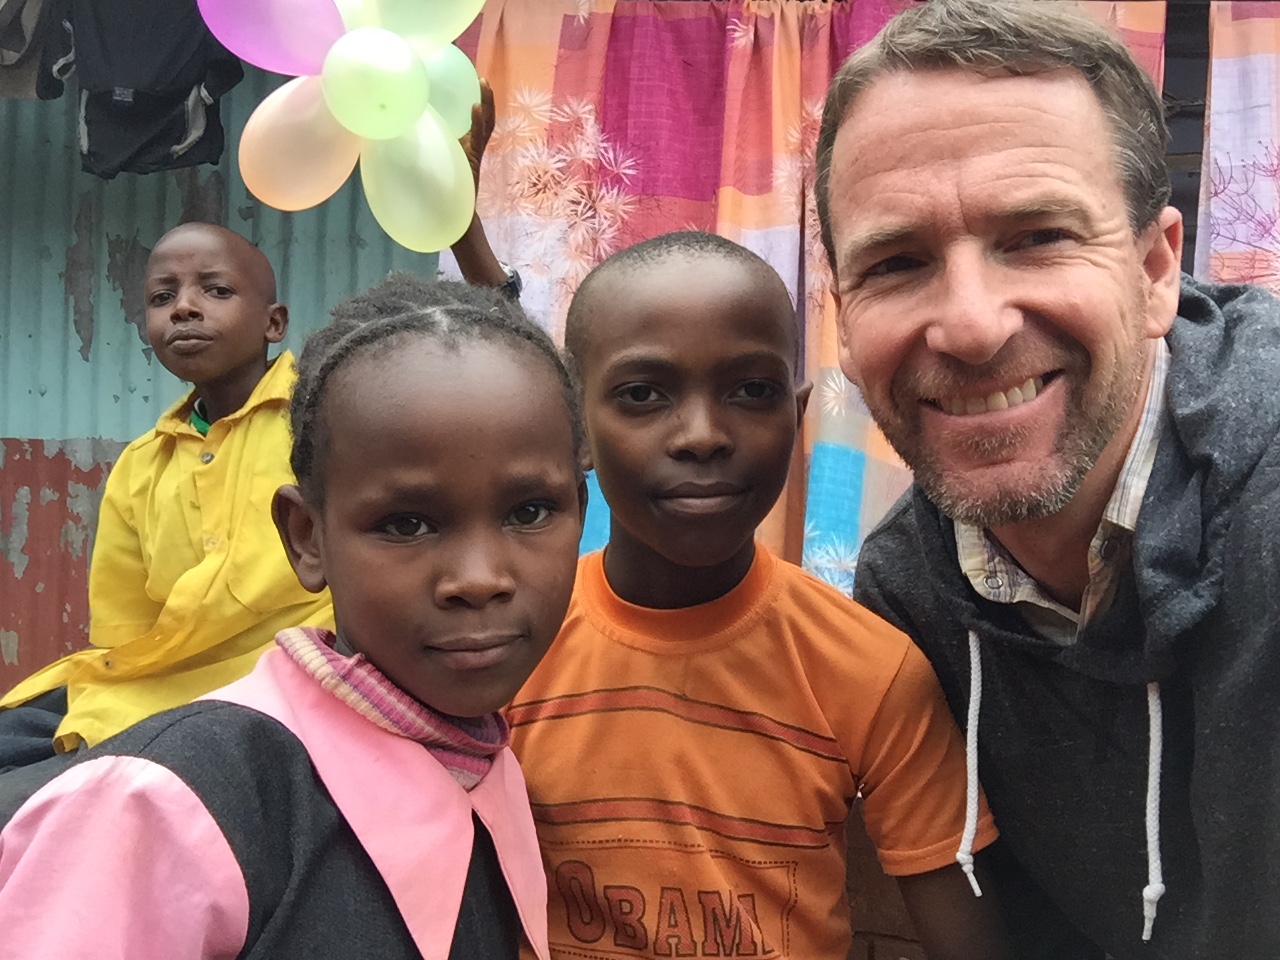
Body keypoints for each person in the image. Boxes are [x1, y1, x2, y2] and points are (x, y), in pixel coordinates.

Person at [813, 1, 1280, 957]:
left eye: (1036, 237)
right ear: (843, 323)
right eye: (896, 262)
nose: (971, 325)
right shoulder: (908, 592)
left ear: (1155, 269)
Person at [0, 277, 587, 959]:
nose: (479, 579)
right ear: (307, 538)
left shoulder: (486, 764)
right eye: (407, 523)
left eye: (530, 512)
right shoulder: (168, 810)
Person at [508, 231, 1010, 960]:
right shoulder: (510, 651)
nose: (703, 435)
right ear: (574, 429)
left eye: (751, 390)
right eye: (642, 394)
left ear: (797, 414)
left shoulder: (870, 670)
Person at [0, 86, 520, 773]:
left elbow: (499, 382)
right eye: (162, 297)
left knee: (36, 800)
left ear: (274, 323)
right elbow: (124, 632)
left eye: (215, 290)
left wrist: (463, 230)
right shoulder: (142, 465)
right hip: (156, 691)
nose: (185, 308)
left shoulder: (334, 415)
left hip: (299, 687)